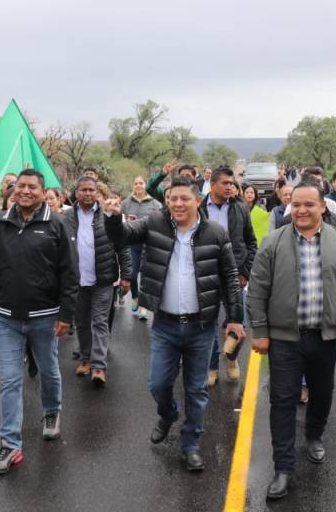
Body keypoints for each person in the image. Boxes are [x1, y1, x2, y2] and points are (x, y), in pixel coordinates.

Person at [104, 178, 245, 472]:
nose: (177, 204)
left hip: (201, 326)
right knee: (158, 383)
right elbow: (122, 236)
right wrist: (114, 217)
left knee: (196, 389)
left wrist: (234, 317)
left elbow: (230, 277)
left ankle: (190, 444)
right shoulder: (155, 223)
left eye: (184, 199)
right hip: (165, 325)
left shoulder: (216, 233)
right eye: (172, 199)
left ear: (197, 201)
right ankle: (168, 415)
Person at [248, 180, 336, 499]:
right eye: (296, 205)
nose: (301, 210)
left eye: (309, 205)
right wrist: (259, 331)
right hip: (284, 339)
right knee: (282, 400)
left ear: (322, 207)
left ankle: (314, 435)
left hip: (324, 336)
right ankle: (283, 467)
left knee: (322, 393)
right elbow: (257, 290)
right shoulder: (273, 242)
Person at [0, 169, 78, 475]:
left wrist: (66, 315)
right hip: (6, 318)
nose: (25, 191)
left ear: (42, 191)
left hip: (45, 317)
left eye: (32, 187)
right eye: (20, 186)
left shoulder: (56, 223)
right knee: (10, 380)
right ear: (13, 191)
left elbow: (69, 272)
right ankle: (10, 443)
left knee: (48, 370)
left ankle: (52, 411)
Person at [65, 176, 131, 387]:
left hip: (103, 279)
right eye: (83, 190)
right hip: (77, 282)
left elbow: (123, 246)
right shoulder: (66, 217)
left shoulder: (109, 215)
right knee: (82, 322)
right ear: (76, 193)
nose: (87, 193)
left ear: (97, 192)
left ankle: (99, 366)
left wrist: (126, 275)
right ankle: (85, 359)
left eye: (91, 190)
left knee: (100, 322)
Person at [201, 167, 258, 386]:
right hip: (206, 275)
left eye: (232, 184)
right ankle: (212, 366)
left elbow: (251, 242)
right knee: (208, 323)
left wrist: (244, 271)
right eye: (225, 183)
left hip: (235, 276)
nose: (230, 187)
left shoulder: (240, 208)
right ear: (212, 184)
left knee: (239, 322)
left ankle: (232, 358)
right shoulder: (198, 209)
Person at [123, 175, 161, 321]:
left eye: (141, 183)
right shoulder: (126, 203)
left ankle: (143, 307)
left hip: (149, 245)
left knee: (145, 277)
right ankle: (135, 297)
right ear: (132, 186)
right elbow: (119, 221)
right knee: (132, 275)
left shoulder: (155, 204)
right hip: (132, 244)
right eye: (136, 183)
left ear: (145, 185)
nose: (138, 185)